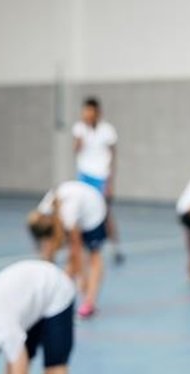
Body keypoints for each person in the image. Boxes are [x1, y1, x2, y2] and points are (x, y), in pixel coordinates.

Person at [27, 181, 107, 319]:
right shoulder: (42, 213)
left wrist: (81, 280)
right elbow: (47, 250)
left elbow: (75, 253)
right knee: (64, 264)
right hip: (76, 205)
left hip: (93, 209)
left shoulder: (68, 216)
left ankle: (89, 302)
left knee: (93, 256)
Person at [72, 97, 124, 265]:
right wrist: (81, 137)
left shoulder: (107, 130)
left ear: (97, 112)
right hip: (84, 175)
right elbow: (76, 150)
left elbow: (112, 156)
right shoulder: (79, 128)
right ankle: (82, 248)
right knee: (81, 213)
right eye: (84, 111)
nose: (87, 114)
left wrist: (109, 183)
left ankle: (116, 247)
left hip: (101, 176)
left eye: (90, 110)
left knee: (106, 213)